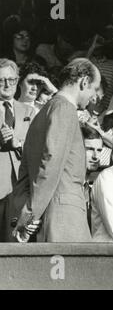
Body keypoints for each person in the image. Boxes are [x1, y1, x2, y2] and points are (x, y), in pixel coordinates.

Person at [12, 58, 101, 242]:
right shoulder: (64, 109)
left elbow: (25, 172)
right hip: (65, 220)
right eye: (94, 88)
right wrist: (30, 214)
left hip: (47, 218)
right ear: (84, 82)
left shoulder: (42, 114)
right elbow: (50, 163)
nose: (94, 97)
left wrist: (25, 210)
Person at [0, 59, 37, 242]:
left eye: (11, 80)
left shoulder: (30, 112)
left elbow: (38, 147)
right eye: (1, 80)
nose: (7, 85)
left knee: (15, 245)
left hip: (20, 190)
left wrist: (18, 143)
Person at [81, 125, 103, 231]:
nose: (95, 156)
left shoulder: (94, 191)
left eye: (99, 150)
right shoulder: (64, 187)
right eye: (89, 149)